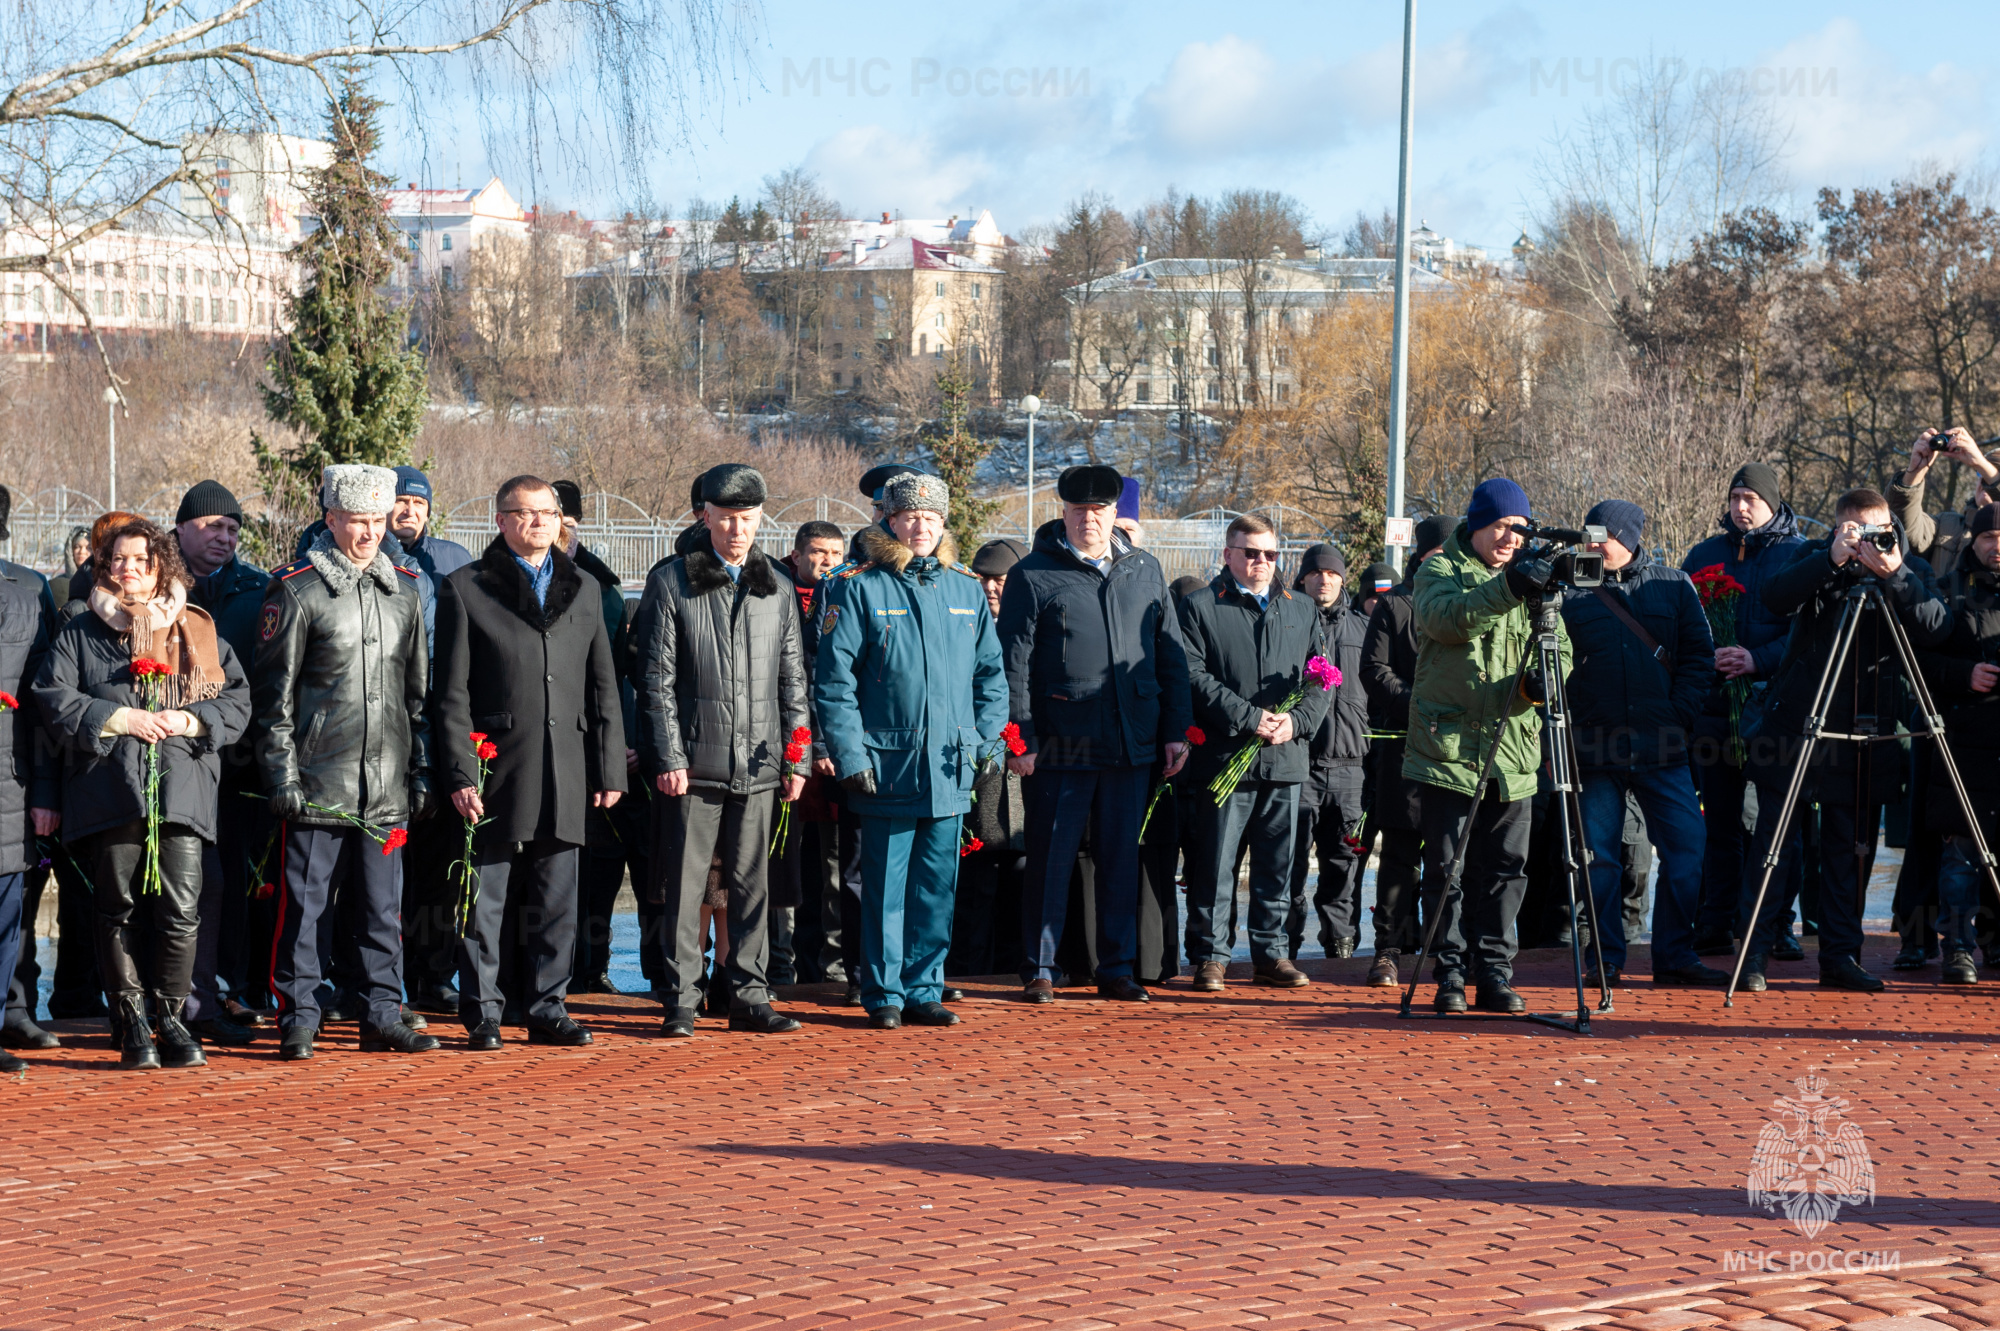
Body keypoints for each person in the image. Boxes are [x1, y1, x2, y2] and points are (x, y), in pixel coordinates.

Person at [32, 519, 251, 1070]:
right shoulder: (80, 633)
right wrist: (117, 716)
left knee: (181, 910)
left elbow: (238, 700)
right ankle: (130, 1019)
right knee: (117, 908)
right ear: (104, 568)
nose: (127, 570)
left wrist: (189, 719)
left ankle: (172, 1017)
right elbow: (50, 697)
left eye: (140, 561)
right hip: (110, 789)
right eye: (117, 561)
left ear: (161, 568)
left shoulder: (196, 628)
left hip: (181, 791)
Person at [431, 475, 626, 1050]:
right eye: (524, 513)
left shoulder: (584, 587)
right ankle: (484, 1009)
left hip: (566, 760)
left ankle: (547, 1005)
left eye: (547, 512)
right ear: (501, 521)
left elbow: (603, 685)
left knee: (558, 893)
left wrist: (609, 766)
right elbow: (451, 695)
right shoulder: (466, 588)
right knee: (485, 896)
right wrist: (462, 773)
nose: (538, 522)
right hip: (497, 765)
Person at [251, 465, 434, 1059]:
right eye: (357, 521)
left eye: (378, 521)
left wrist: (422, 769)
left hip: (385, 785)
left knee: (384, 909)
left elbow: (416, 698)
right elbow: (273, 697)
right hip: (317, 781)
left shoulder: (404, 590)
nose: (369, 533)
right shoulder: (298, 590)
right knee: (304, 908)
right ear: (331, 519)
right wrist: (281, 773)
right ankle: (299, 1013)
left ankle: (382, 1011)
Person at [1736, 488, 1951, 995]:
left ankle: (1841, 957)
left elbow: (1937, 628)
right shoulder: (1812, 557)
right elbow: (1774, 598)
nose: (1866, 544)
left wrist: (1893, 573)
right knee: (1774, 847)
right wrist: (1831, 560)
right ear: (1836, 530)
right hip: (1797, 728)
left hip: (1864, 734)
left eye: (1877, 533)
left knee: (1849, 853)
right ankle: (1753, 954)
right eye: (1854, 533)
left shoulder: (1906, 568)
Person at [816, 472, 1008, 1028]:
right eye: (908, 516)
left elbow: (990, 678)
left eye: (930, 517)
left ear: (943, 524)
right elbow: (834, 684)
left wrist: (985, 740)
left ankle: (925, 987)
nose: (919, 526)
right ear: (889, 521)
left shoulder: (964, 588)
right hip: (886, 768)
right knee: (882, 891)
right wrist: (850, 756)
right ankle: (884, 995)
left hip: (950, 767)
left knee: (935, 889)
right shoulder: (858, 586)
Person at [999, 465, 1191, 1004]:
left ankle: (1118, 967)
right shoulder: (1033, 574)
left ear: (1115, 514)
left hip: (1131, 739)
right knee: (1051, 857)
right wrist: (1020, 738)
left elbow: (1170, 657)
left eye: (1099, 510)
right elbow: (1012, 664)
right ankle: (1040, 966)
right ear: (1063, 512)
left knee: (1119, 859)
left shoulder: (1145, 570)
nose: (1089, 520)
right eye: (1079, 511)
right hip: (1061, 741)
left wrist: (1175, 729)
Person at [633, 463, 809, 1038]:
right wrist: (668, 757)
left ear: (762, 520)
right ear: (703, 516)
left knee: (752, 887)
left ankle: (750, 996)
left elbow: (793, 681)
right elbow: (654, 678)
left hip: (760, 764)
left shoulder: (776, 587)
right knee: (684, 889)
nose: (737, 529)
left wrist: (797, 757)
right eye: (727, 517)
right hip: (695, 765)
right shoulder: (672, 582)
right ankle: (681, 997)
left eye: (748, 518)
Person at [1406, 479, 1570, 1015]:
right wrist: (1511, 588)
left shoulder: (1533, 579)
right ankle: (1449, 975)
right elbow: (1445, 621)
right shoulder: (1439, 570)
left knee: (1506, 872)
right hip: (1448, 751)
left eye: (1518, 530)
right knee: (1448, 872)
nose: (1509, 538)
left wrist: (1542, 683)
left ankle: (1495, 973)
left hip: (1514, 753)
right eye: (1499, 526)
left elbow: (1561, 648)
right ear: (1475, 525)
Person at [1557, 500, 1727, 988]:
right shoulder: (1570, 590)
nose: (1590, 544)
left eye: (1599, 536)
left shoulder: (1673, 585)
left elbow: (1700, 656)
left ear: (1626, 538)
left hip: (1663, 745)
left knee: (1687, 850)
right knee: (1602, 859)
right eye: (1586, 535)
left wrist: (1679, 714)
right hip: (1594, 748)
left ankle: (1674, 955)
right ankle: (1605, 958)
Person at [1178, 514, 1330, 991]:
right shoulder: (1201, 606)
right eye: (1251, 553)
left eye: (1269, 553)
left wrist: (1297, 721)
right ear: (1228, 555)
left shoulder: (1300, 608)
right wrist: (1246, 716)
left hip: (1284, 759)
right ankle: (1211, 955)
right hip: (1226, 758)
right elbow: (1193, 675)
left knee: (1278, 865)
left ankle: (1272, 954)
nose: (1261, 562)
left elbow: (1322, 676)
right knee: (1217, 864)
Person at [1680, 463, 1807, 959]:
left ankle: (1775, 924)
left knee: (1777, 827)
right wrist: (1708, 654)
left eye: (1750, 497)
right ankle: (1715, 921)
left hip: (1778, 708)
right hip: (1716, 707)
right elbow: (1683, 623)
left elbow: (1804, 636)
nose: (1740, 507)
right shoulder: (1704, 555)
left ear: (1772, 502)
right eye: (1734, 497)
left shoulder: (1799, 556)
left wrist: (1757, 660)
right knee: (1720, 823)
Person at [172, 480, 270, 1046]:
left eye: (233, 529)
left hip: (235, 765)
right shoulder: (150, 582)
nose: (225, 537)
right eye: (213, 526)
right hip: (164, 760)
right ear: (182, 527)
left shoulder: (258, 591)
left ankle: (222, 992)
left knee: (228, 885)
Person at [392, 465, 479, 1015]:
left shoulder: (454, 562)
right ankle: (384, 980)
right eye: (400, 501)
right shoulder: (368, 557)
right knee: (387, 869)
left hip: (443, 726)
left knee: (441, 869)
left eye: (418, 504)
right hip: (390, 729)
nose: (409, 512)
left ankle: (435, 973)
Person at [1358, 516, 1449, 987]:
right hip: (1404, 748)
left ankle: (1445, 953)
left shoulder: (1466, 603)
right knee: (1398, 855)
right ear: (1421, 555)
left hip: (1455, 753)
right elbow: (1372, 670)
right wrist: (1420, 705)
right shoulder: (1394, 606)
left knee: (1449, 856)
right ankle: (1389, 950)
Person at [1916, 502, 2000, 983]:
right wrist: (1964, 673)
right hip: (1961, 746)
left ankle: (1994, 944)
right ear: (1972, 539)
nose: (1996, 547)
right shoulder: (1947, 592)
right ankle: (1958, 949)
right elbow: (1916, 664)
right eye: (1988, 538)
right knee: (1961, 857)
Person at [776, 520, 850, 985]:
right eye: (818, 552)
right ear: (797, 554)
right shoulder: (776, 592)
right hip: (786, 750)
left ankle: (833, 964)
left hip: (833, 758)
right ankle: (778, 962)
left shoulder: (848, 595)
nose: (826, 562)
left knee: (834, 869)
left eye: (835, 554)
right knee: (782, 861)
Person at [1287, 544, 1370, 960]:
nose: (1325, 579)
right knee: (1291, 860)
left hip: (1350, 767)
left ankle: (1340, 940)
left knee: (1344, 861)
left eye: (1333, 573)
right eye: (1316, 572)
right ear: (1302, 578)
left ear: (1343, 579)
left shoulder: (1363, 628)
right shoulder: (1287, 624)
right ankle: (1286, 942)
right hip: (1299, 764)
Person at [0, 524, 58, 1072]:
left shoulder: (28, 590)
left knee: (11, 909)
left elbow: (42, 701)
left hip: (13, 781)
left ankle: (8, 1011)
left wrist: (44, 787)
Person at [1895, 427, 1997, 581]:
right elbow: (1902, 527)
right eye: (1979, 474)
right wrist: (1914, 473)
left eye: (1989, 475)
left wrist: (1981, 464)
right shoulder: (1946, 525)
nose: (1983, 481)